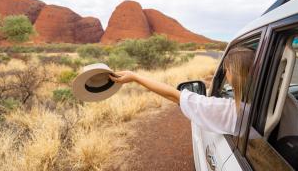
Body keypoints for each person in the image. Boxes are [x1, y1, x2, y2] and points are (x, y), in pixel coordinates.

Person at [109, 47, 255, 135]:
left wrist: (135, 77)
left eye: (227, 70)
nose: (226, 73)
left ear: (234, 75)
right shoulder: (267, 107)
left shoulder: (230, 110)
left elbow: (173, 95)